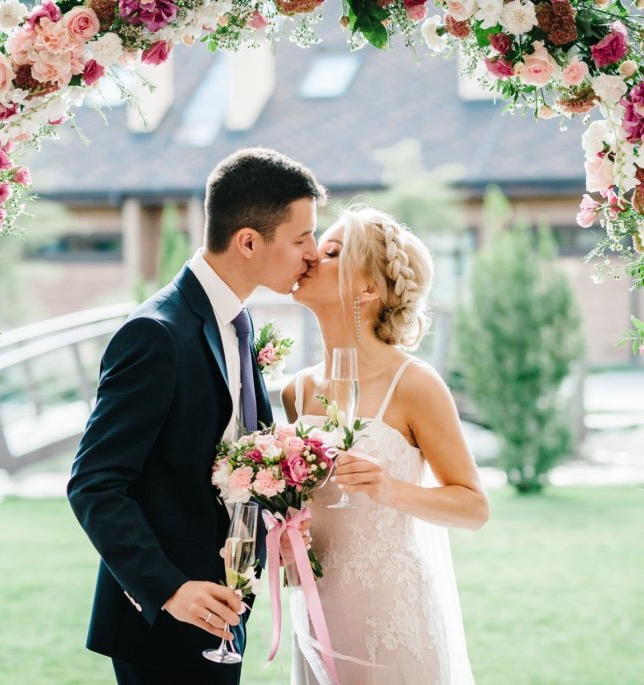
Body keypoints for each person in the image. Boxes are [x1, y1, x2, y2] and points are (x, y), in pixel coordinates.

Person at [67, 147, 326, 685]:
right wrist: (168, 589)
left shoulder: (239, 321)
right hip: (163, 623)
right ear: (249, 241)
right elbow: (94, 483)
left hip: (223, 610)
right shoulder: (156, 334)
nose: (313, 253)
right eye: (301, 239)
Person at [282, 206, 490, 685]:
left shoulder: (416, 384)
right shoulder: (297, 390)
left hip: (393, 614)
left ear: (369, 289)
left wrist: (390, 489)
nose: (312, 256)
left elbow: (474, 507)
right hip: (316, 613)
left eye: (332, 252)